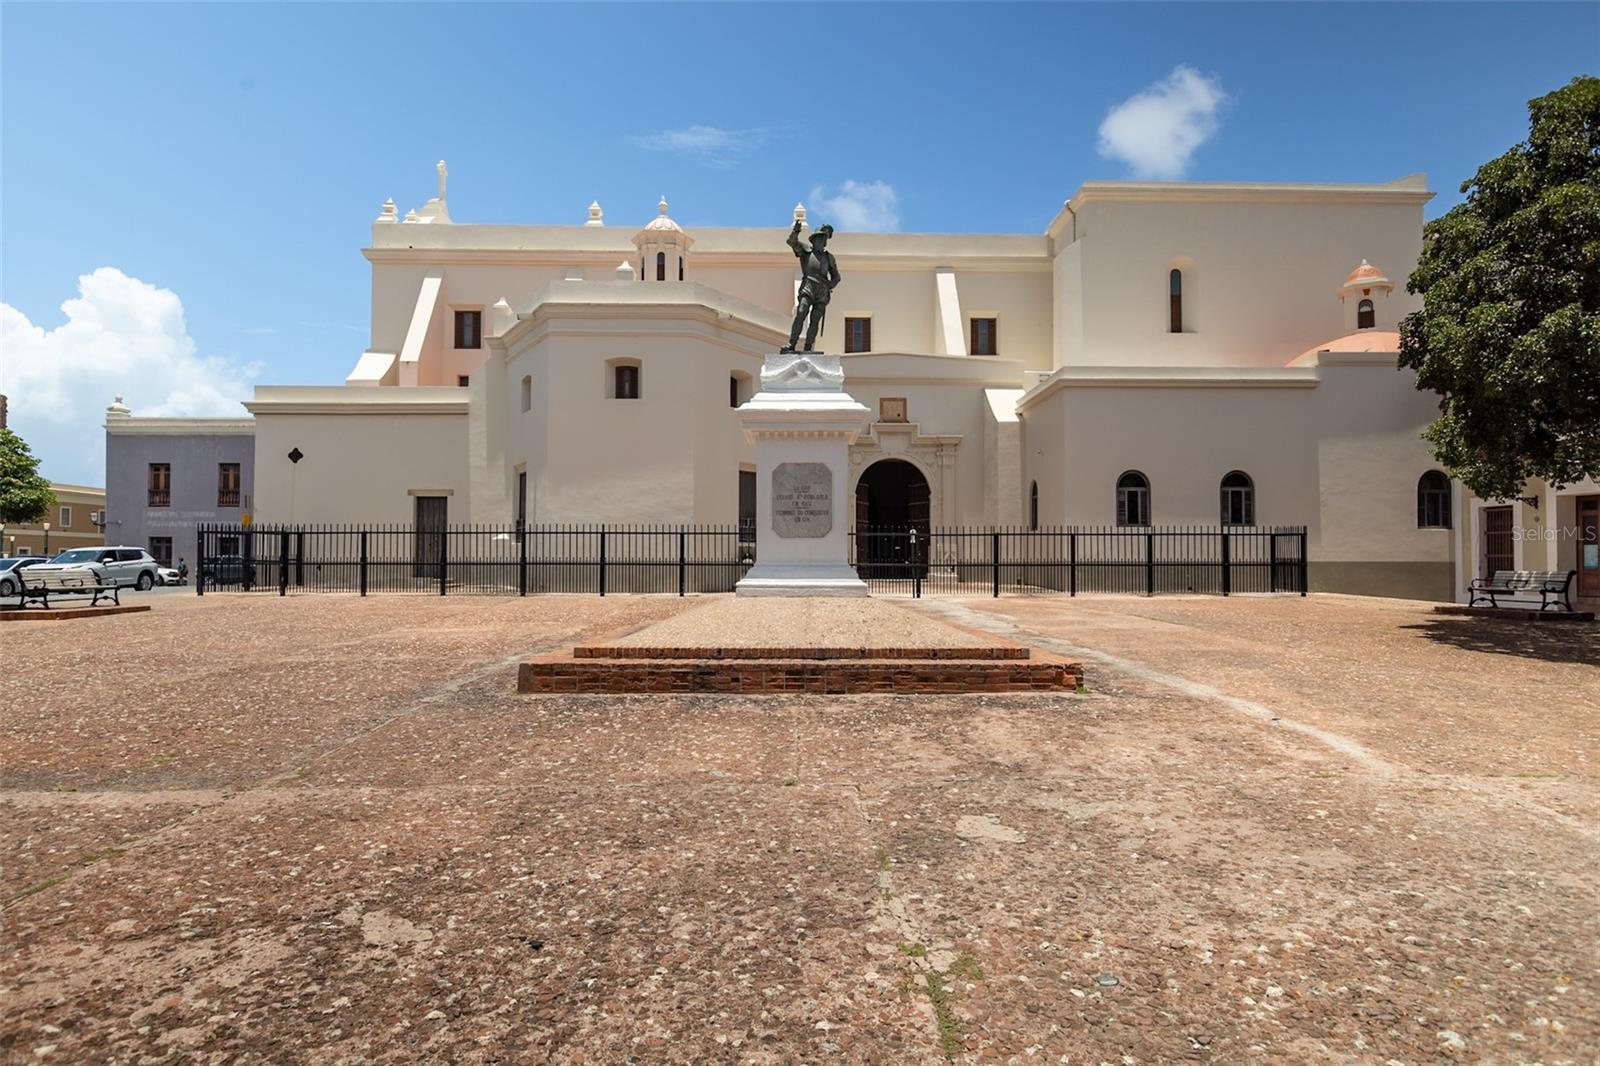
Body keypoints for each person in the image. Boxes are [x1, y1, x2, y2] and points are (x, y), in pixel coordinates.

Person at [780, 221, 840, 354]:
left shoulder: (829, 258)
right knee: (801, 312)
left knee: (815, 320)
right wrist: (796, 232)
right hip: (808, 285)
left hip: (822, 290)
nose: (821, 241)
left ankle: (808, 346)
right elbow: (791, 242)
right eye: (819, 238)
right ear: (813, 240)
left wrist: (829, 285)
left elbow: (836, 277)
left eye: (823, 238)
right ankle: (792, 343)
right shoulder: (806, 251)